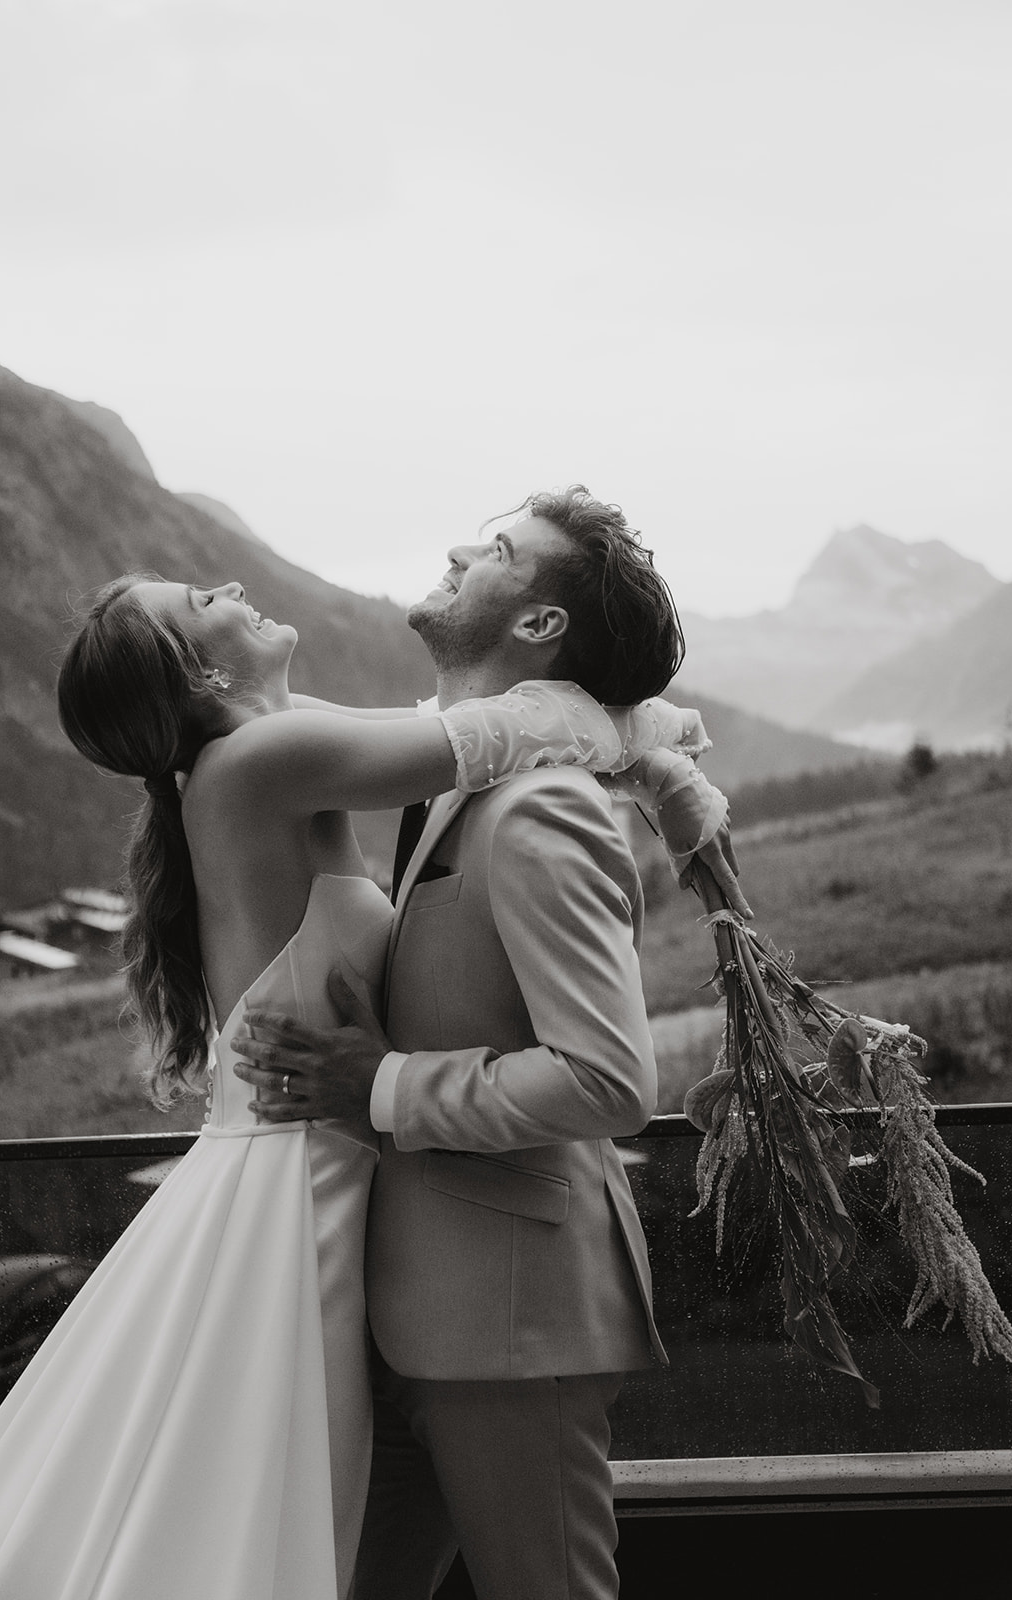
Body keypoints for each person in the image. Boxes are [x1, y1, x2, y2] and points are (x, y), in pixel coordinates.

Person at [0, 555, 731, 1600]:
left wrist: (656, 761)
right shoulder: (262, 758)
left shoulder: (274, 740)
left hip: (338, 1174)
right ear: (197, 672)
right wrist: (668, 754)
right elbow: (493, 733)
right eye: (201, 604)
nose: (228, 588)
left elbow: (469, 725)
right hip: (295, 1188)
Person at [232, 487, 748, 1600]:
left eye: (499, 550)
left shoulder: (543, 808)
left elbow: (608, 1077)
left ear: (539, 625)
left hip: (515, 1323)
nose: (463, 548)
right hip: (404, 1314)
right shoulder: (465, 774)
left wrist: (378, 1083)